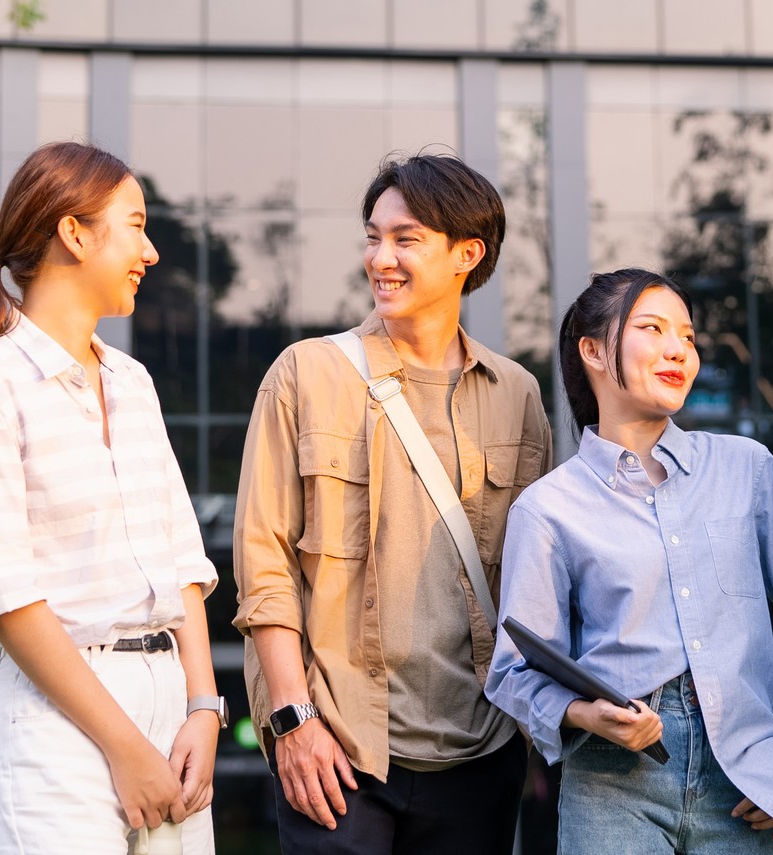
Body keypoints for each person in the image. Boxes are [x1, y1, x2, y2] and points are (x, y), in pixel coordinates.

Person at [232, 153, 552, 853]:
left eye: (406, 239)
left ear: (467, 254)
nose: (381, 259)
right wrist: (292, 722)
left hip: (482, 751)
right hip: (339, 747)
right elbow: (264, 565)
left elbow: (539, 574)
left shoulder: (517, 394)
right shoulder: (307, 373)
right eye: (373, 238)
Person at [485, 268, 773, 854]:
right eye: (653, 329)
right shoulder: (547, 508)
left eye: (688, 336)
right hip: (613, 782)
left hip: (749, 775)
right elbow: (513, 672)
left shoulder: (748, 468)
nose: (679, 349)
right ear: (592, 351)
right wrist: (586, 714)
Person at [0, 141, 222, 854]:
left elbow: (181, 561)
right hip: (60, 728)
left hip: (172, 717)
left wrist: (204, 707)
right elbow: (8, 599)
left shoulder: (133, 383)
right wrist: (125, 747)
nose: (150, 252)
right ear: (74, 233)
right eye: (136, 226)